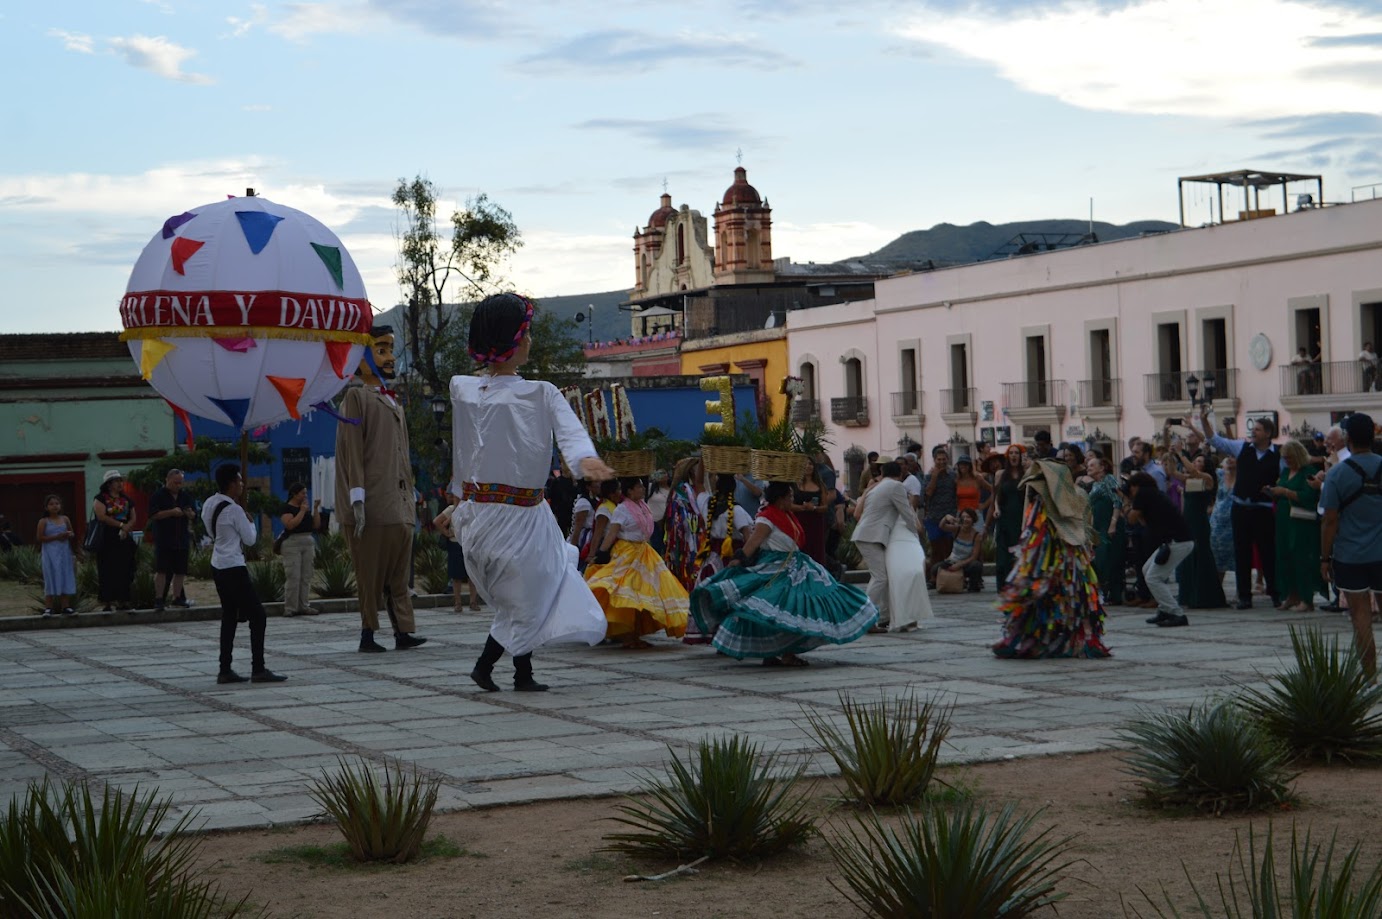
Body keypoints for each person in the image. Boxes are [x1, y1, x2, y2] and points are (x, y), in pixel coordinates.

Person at [451, 292, 613, 692]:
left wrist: (457, 500)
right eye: (527, 334)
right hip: (520, 515)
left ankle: (521, 672)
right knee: (529, 596)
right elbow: (570, 432)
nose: (530, 341)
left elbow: (462, 451)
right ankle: (487, 666)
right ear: (515, 340)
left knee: (521, 596)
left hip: (481, 515)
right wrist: (584, 461)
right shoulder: (541, 393)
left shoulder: (464, 390)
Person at [691, 482, 878, 666]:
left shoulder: (787, 515)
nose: (792, 499)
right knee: (784, 610)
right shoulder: (767, 518)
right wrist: (739, 559)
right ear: (780, 499)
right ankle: (780, 653)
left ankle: (781, 652)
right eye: (789, 496)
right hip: (775, 569)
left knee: (796, 609)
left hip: (797, 566)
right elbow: (753, 543)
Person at [334, 324, 427, 653]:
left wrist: (412, 494)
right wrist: (357, 497)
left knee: (399, 574)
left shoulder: (392, 401)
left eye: (391, 350)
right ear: (361, 359)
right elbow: (352, 450)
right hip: (372, 503)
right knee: (370, 573)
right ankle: (367, 633)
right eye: (381, 350)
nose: (390, 358)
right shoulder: (356, 397)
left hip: (399, 502)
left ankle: (403, 631)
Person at [993, 459, 1111, 658]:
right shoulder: (1052, 501)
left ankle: (1061, 641)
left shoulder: (1065, 499)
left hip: (1064, 561)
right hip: (1057, 561)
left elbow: (1078, 529)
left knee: (1067, 601)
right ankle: (1042, 640)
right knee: (1051, 601)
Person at [203, 464, 287, 684]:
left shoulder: (209, 504)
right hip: (233, 565)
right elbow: (250, 540)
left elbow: (211, 531)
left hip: (217, 563)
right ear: (231, 483)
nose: (242, 484)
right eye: (239, 481)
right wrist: (251, 523)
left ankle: (225, 668)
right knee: (258, 616)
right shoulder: (234, 510)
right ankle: (258, 668)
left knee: (229, 615)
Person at [585, 477, 690, 648]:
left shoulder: (643, 506)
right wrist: (601, 552)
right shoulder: (622, 509)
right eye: (639, 487)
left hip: (645, 553)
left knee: (644, 595)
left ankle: (635, 635)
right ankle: (627, 636)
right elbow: (612, 533)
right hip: (626, 554)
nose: (642, 489)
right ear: (629, 491)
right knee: (628, 594)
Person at [1193, 402, 1280, 609]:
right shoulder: (1242, 447)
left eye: (1257, 429)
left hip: (1263, 508)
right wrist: (1204, 420)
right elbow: (1214, 439)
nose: (1253, 432)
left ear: (1268, 433)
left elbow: (1292, 469)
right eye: (1253, 429)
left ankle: (1275, 593)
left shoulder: (1278, 454)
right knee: (1242, 552)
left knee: (1268, 551)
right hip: (1240, 507)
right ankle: (1244, 596)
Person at [1320, 413, 1382, 675]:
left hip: (1351, 555)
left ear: (1347, 439)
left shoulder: (1337, 474)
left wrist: (1325, 558)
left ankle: (1370, 679)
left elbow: (1330, 520)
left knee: (1361, 619)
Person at [851, 461, 921, 630]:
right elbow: (906, 512)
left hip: (869, 534)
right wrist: (916, 534)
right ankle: (863, 619)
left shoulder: (879, 487)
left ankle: (882, 617)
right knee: (880, 577)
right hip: (871, 536)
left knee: (884, 577)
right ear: (900, 474)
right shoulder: (896, 486)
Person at [1126, 471, 1194, 628]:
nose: (1129, 490)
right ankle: (1164, 609)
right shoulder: (1152, 494)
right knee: (1146, 569)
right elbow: (1143, 523)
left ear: (1136, 486)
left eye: (1130, 487)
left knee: (1153, 577)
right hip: (1175, 541)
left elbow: (1131, 518)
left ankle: (1177, 613)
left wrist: (1126, 501)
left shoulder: (1143, 493)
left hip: (1177, 542)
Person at [1270, 440, 1323, 612]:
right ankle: (1291, 595)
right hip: (1284, 520)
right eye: (1285, 458)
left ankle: (1306, 599)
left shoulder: (1308, 472)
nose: (1287, 461)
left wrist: (1285, 492)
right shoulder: (1285, 471)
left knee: (1301, 559)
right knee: (1284, 557)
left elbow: (1309, 497)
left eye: (1290, 458)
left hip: (1301, 522)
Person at [1167, 452, 1226, 609]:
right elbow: (1172, 472)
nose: (1196, 462)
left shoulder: (1207, 478)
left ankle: (1204, 596)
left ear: (1205, 465)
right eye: (1195, 460)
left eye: (1199, 460)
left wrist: (1180, 453)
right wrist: (1170, 453)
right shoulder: (1189, 480)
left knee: (1201, 555)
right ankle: (1189, 596)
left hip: (1200, 523)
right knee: (1188, 556)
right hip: (1188, 522)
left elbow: (1194, 471)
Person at [148, 468, 196, 612]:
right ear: (167, 480)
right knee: (162, 570)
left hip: (181, 538)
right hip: (164, 538)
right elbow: (153, 514)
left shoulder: (185, 496)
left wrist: (190, 514)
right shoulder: (158, 495)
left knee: (180, 570)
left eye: (180, 483)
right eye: (175, 483)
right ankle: (159, 599)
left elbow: (193, 513)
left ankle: (177, 597)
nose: (178, 486)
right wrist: (171, 512)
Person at [92, 471, 137, 613]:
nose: (119, 483)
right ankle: (107, 602)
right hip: (107, 537)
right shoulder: (100, 498)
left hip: (123, 537)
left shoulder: (126, 499)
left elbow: (133, 517)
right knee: (107, 569)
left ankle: (123, 600)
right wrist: (120, 526)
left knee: (125, 569)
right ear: (108, 484)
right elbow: (101, 516)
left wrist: (126, 528)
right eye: (116, 481)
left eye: (120, 480)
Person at [1085, 455, 1125, 607]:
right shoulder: (1095, 484)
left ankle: (1114, 594)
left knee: (1111, 559)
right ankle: (1106, 591)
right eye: (1088, 465)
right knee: (1101, 560)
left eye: (1092, 465)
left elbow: (1117, 501)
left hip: (1110, 525)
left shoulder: (1109, 479)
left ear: (1102, 467)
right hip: (1099, 526)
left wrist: (1113, 523)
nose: (1088, 467)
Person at [662, 455, 706, 591]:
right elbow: (681, 518)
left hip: (694, 538)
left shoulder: (690, 489)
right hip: (686, 539)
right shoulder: (683, 491)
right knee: (687, 567)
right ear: (691, 472)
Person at [277, 482, 321, 617]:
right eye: (303, 493)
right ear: (295, 494)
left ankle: (304, 605)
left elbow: (316, 525)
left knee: (306, 576)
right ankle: (290, 607)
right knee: (293, 576)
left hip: (307, 540)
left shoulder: (305, 508)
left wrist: (314, 509)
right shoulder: (287, 508)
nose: (305, 495)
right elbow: (290, 525)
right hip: (292, 543)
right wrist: (302, 511)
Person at [433, 494, 480, 612]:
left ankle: (473, 602)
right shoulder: (452, 509)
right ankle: (458, 603)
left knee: (472, 575)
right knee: (456, 576)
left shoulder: (472, 508)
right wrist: (447, 533)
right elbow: (437, 521)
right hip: (455, 544)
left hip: (469, 544)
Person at [921, 449, 958, 584]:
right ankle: (933, 577)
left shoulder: (953, 475)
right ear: (934, 460)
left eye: (944, 459)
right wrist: (935, 476)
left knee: (948, 548)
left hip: (950, 516)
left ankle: (948, 577)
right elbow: (928, 493)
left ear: (947, 460)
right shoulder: (928, 477)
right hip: (933, 517)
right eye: (939, 459)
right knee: (935, 548)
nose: (941, 462)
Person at [36, 494, 77, 617]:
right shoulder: (43, 521)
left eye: (57, 503)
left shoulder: (65, 519)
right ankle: (49, 607)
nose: (55, 506)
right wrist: (56, 537)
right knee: (50, 577)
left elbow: (72, 533)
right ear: (46, 507)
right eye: (51, 504)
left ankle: (66, 606)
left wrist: (69, 535)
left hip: (64, 552)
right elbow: (40, 537)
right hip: (50, 553)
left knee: (65, 575)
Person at [992, 445, 1027, 590]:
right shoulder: (1000, 474)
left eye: (1016, 453)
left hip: (1020, 517)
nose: (1014, 456)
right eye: (1011, 453)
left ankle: (1019, 584)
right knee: (1003, 555)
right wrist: (996, 509)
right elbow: (996, 496)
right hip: (1005, 517)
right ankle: (1003, 586)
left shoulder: (1025, 473)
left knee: (1019, 552)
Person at [792, 462, 830, 565]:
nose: (808, 466)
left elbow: (825, 506)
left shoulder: (820, 485)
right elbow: (789, 505)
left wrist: (813, 508)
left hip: (816, 522)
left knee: (816, 549)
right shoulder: (795, 484)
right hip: (799, 520)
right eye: (805, 464)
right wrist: (803, 508)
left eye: (810, 464)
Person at [938, 509, 983, 592]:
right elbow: (942, 526)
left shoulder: (977, 536)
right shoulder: (957, 529)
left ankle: (973, 584)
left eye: (968, 517)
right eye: (963, 517)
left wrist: (959, 565)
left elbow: (974, 557)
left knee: (976, 566)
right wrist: (946, 517)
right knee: (935, 568)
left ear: (973, 519)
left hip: (966, 563)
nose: (965, 519)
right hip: (952, 560)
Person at [1210, 454, 1237, 580]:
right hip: (1218, 524)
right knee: (1216, 558)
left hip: (1237, 524)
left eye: (1233, 457)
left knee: (1239, 558)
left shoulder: (1245, 477)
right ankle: (1217, 593)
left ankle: (1241, 593)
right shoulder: (1219, 475)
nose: (1230, 459)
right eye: (1228, 458)